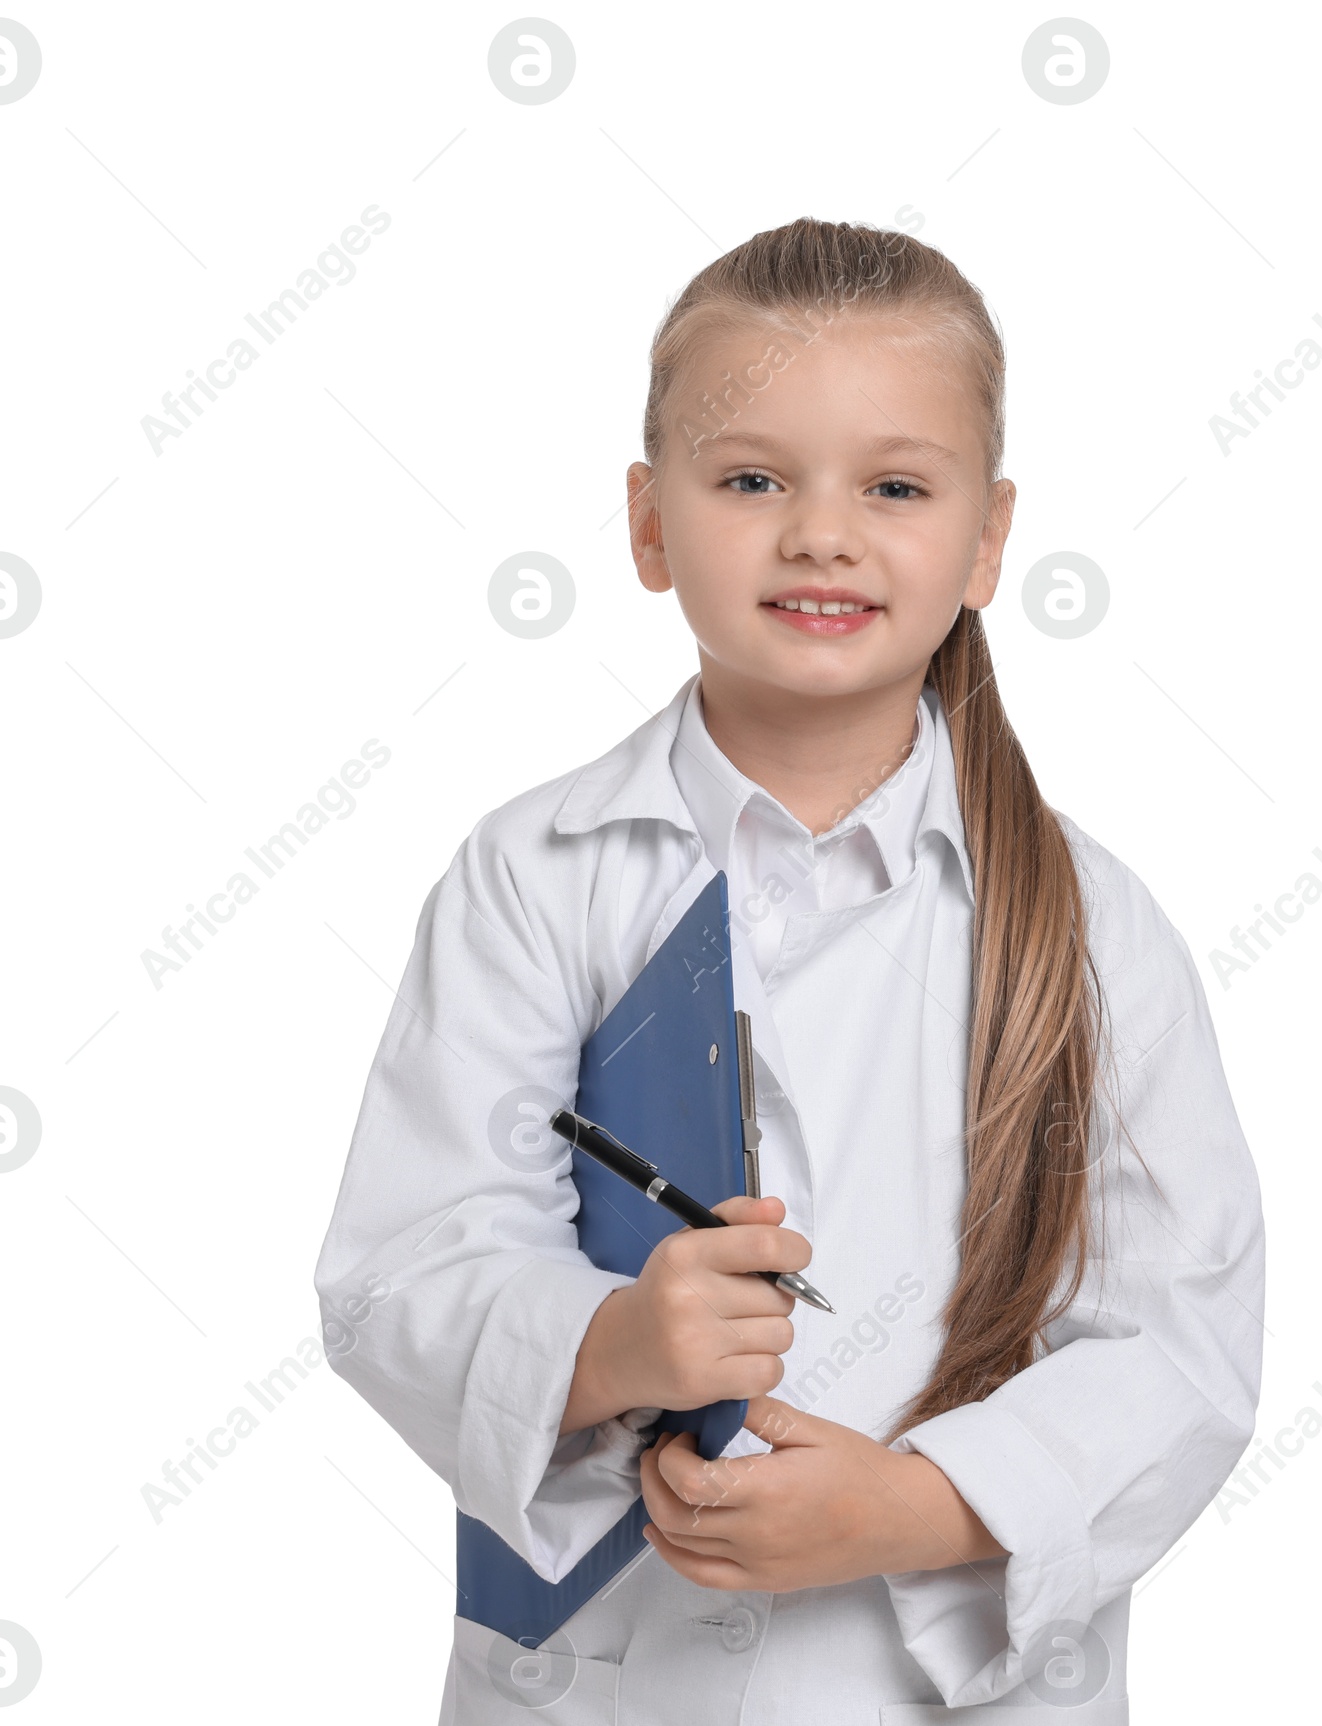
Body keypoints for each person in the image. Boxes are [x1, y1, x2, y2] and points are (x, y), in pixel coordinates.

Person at [312, 217, 1266, 1724]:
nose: (822, 533)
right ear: (646, 521)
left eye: (894, 486)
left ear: (990, 536)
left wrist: (917, 1507)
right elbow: (403, 1270)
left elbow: (1174, 1340)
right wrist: (614, 1342)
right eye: (752, 478)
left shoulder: (1089, 920)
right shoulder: (530, 875)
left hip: (940, 1682)